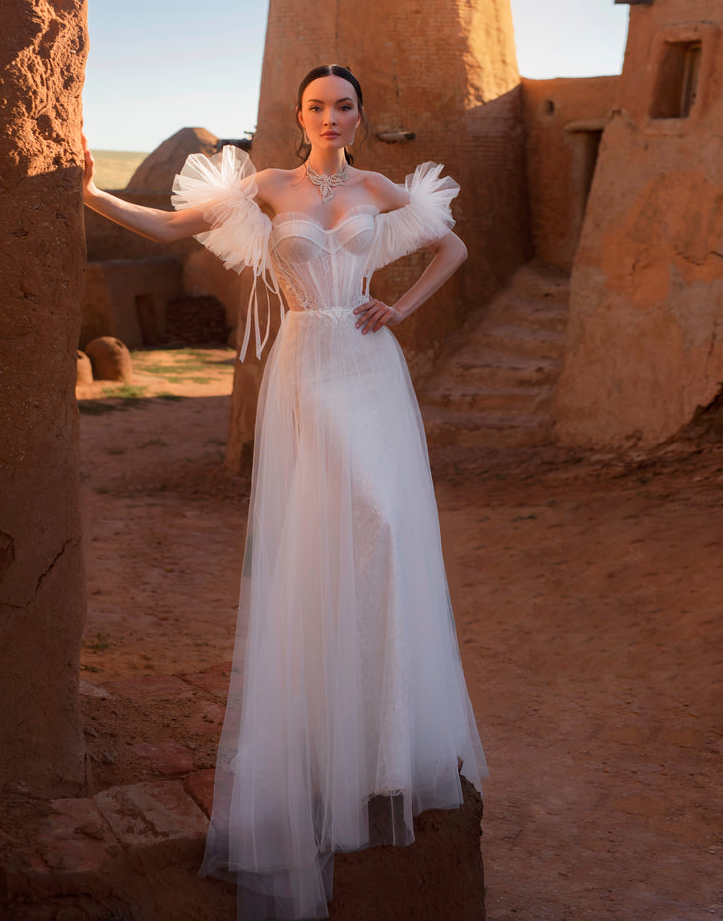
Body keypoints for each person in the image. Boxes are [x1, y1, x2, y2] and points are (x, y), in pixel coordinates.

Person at [83, 63, 487, 920]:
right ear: (297, 114)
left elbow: (452, 247)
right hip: (308, 363)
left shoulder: (379, 186)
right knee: (330, 530)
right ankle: (325, 727)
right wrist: (92, 195)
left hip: (371, 363)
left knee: (383, 524)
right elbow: (164, 225)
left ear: (360, 115)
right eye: (316, 106)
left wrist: (401, 307)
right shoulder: (268, 186)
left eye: (344, 105)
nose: (331, 116)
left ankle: (385, 735)